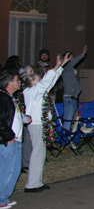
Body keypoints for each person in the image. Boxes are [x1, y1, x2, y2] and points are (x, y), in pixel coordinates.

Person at [24, 53, 69, 193]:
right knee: (37, 153)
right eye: (37, 77)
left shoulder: (38, 91)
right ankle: (31, 185)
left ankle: (36, 182)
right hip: (36, 125)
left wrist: (61, 66)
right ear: (31, 81)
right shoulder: (31, 91)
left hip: (40, 124)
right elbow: (46, 82)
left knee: (40, 154)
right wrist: (56, 66)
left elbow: (49, 82)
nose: (40, 78)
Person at [1, 70, 28, 209]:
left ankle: (4, 197)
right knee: (6, 171)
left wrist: (25, 118)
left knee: (15, 170)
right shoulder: (2, 98)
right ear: (9, 83)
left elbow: (15, 115)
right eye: (17, 80)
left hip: (16, 140)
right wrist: (8, 136)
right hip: (8, 141)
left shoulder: (11, 97)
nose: (20, 82)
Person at [61, 45, 88, 133]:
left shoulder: (71, 70)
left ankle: (67, 138)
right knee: (68, 121)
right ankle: (66, 140)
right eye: (70, 58)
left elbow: (75, 83)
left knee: (70, 120)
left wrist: (78, 90)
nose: (72, 60)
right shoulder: (66, 68)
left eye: (73, 58)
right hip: (68, 98)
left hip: (73, 98)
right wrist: (82, 55)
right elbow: (73, 63)